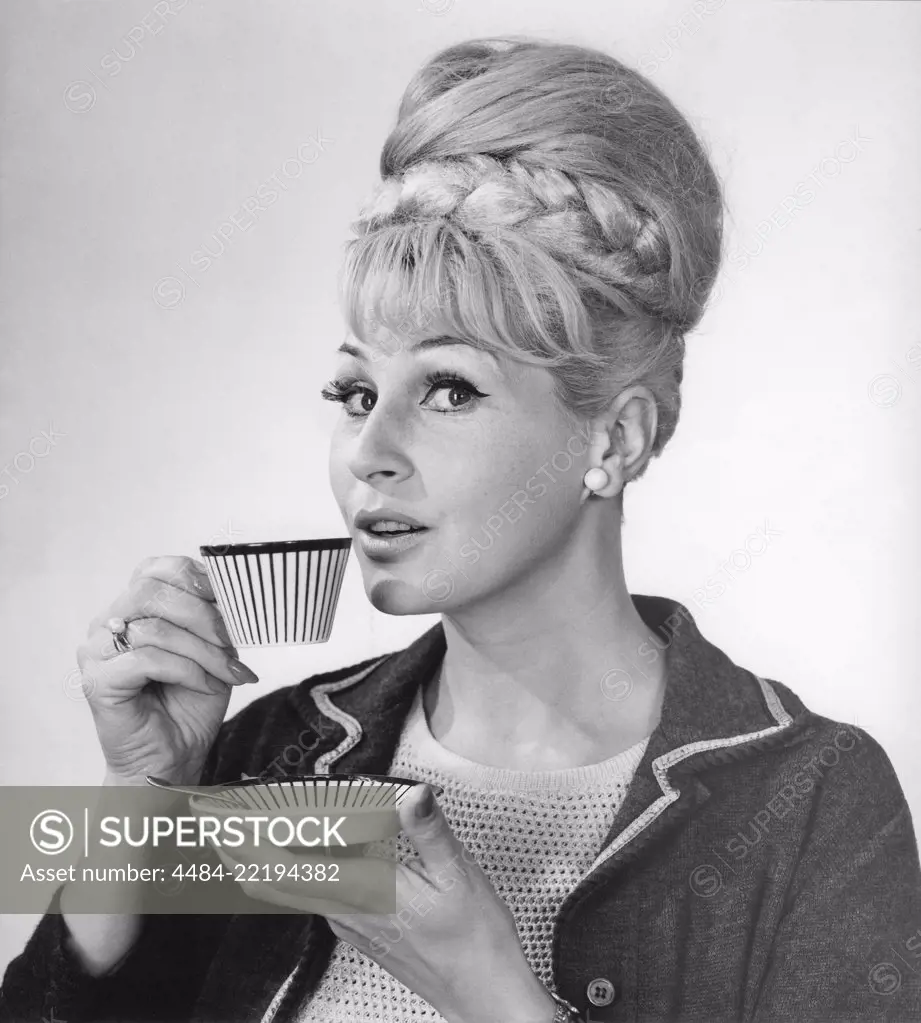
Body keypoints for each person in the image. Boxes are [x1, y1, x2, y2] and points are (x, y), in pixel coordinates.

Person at [3, 34, 920, 1023]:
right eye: (356, 390)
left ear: (613, 439)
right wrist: (139, 792)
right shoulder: (276, 753)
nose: (369, 450)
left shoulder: (814, 800)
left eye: (448, 387)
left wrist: (490, 992)